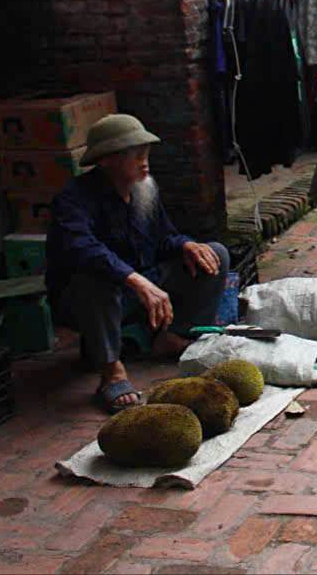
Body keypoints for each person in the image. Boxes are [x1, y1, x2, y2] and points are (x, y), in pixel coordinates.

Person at [46, 114, 228, 414]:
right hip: (89, 300)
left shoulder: (144, 189)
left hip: (142, 289)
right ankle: (111, 371)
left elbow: (164, 238)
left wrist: (185, 244)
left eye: (146, 156)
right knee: (97, 276)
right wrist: (134, 279)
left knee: (215, 254)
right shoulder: (73, 198)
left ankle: (173, 337)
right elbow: (83, 249)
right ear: (105, 162)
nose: (145, 163)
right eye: (136, 157)